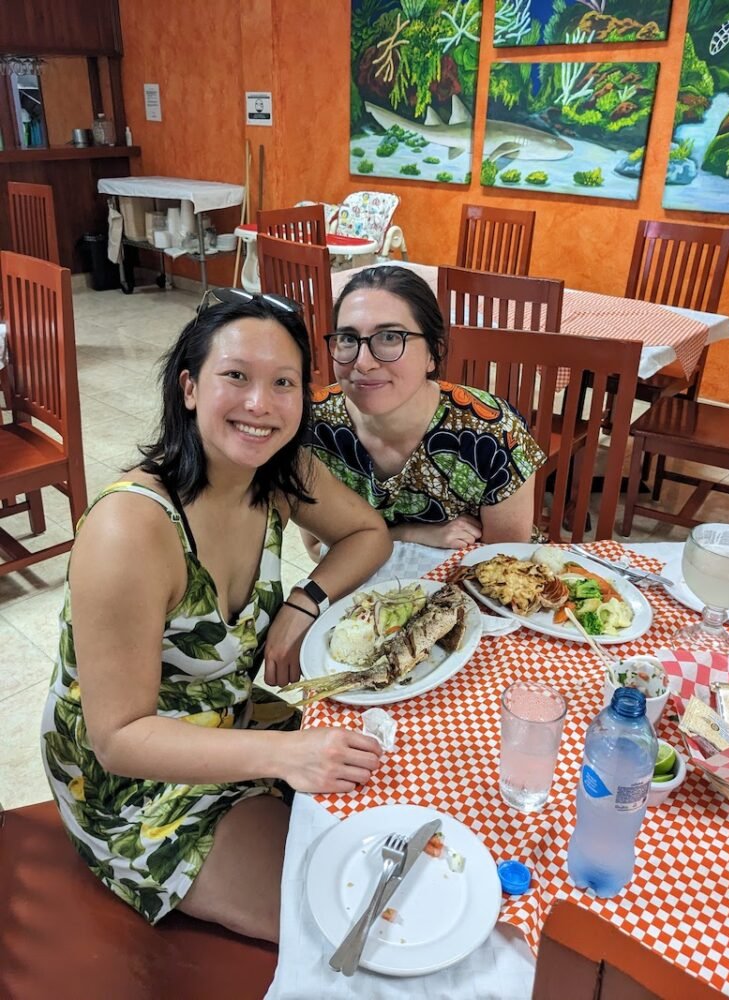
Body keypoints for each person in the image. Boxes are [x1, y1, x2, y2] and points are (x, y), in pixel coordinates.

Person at [40, 293, 392, 942]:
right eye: (236, 375)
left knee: (398, 799)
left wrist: (301, 603)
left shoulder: (275, 470)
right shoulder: (131, 530)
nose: (260, 404)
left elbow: (368, 533)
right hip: (133, 789)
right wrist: (289, 753)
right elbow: (118, 740)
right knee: (347, 920)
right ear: (190, 388)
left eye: (283, 383)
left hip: (234, 726)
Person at [302, 265, 546, 561]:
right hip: (361, 590)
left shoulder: (492, 433)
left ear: (433, 352)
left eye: (390, 337)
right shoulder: (314, 426)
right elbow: (318, 549)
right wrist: (411, 533)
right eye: (349, 339)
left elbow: (505, 567)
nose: (363, 362)